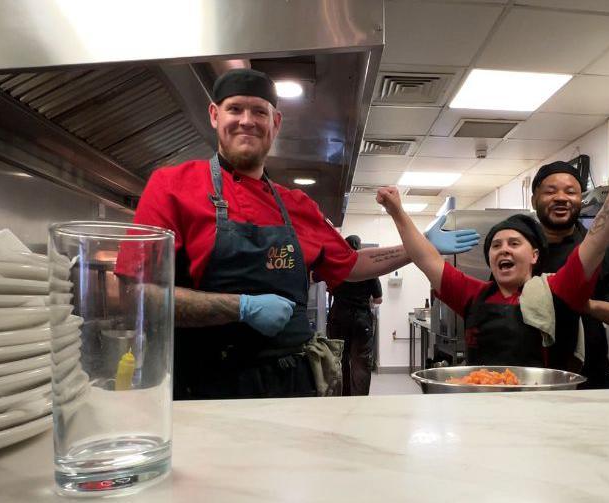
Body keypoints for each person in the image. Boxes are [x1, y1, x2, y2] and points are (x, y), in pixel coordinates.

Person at [128, 68, 479, 399]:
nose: (247, 121)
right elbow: (138, 294)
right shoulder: (172, 186)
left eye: (259, 112)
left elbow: (351, 264)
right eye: (235, 109)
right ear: (214, 115)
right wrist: (242, 307)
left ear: (275, 122)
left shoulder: (296, 205)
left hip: (292, 383)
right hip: (204, 386)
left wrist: (418, 246)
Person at [376, 147, 609, 369]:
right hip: (487, 404)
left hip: (547, 408)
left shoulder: (557, 289)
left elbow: (597, 240)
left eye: (514, 243)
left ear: (534, 255)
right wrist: (397, 212)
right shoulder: (473, 294)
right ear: (490, 259)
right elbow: (426, 259)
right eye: (496, 245)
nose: (504, 249)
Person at [530, 159, 609, 389]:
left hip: (590, 383)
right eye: (550, 191)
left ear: (580, 200)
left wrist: (585, 305)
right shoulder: (519, 249)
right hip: (528, 379)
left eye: (571, 192)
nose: (561, 197)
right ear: (534, 199)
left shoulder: (604, 250)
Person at [326, 235, 382, 396]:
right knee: (361, 363)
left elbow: (327, 288)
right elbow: (378, 299)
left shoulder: (336, 266)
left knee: (340, 360)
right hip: (361, 320)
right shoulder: (368, 268)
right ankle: (360, 401)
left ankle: (343, 397)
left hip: (339, 318)